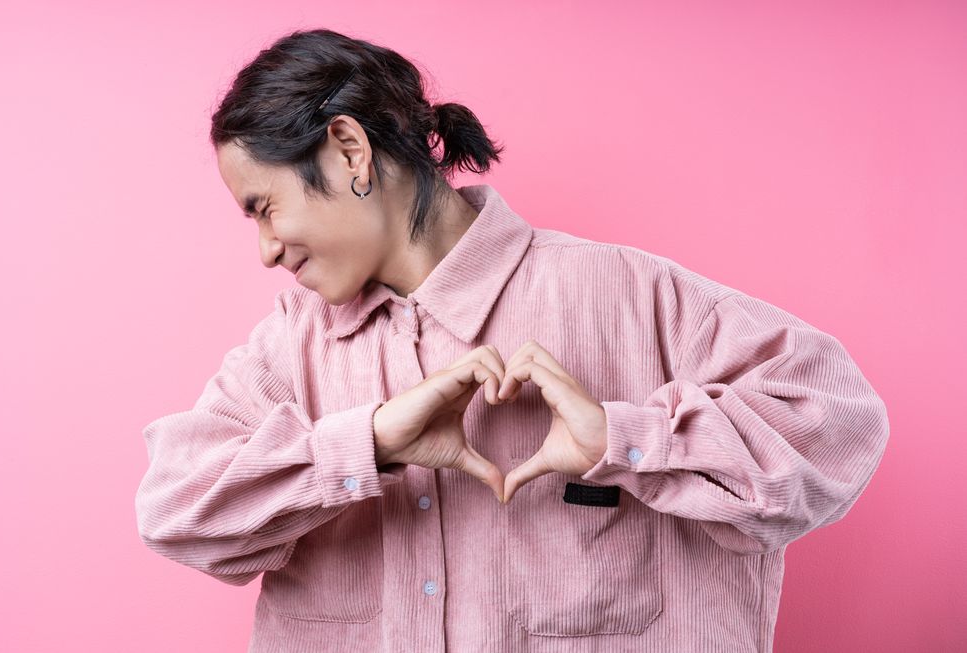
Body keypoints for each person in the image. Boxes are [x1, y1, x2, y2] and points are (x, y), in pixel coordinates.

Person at [134, 28, 890, 653]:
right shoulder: (288, 348)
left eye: (264, 207)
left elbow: (839, 420)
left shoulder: (628, 295)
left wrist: (630, 438)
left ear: (349, 151)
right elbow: (176, 510)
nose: (266, 248)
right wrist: (363, 445)